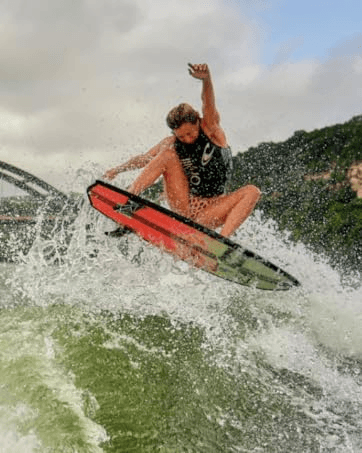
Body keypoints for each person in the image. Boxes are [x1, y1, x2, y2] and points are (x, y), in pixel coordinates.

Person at [104, 63, 261, 238]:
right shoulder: (172, 142)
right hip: (185, 207)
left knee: (252, 191)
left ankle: (222, 242)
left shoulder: (211, 130)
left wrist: (206, 80)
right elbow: (145, 159)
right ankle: (127, 202)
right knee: (167, 155)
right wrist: (117, 170)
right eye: (181, 136)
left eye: (190, 133)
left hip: (211, 211)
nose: (186, 139)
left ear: (198, 123)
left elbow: (207, 103)